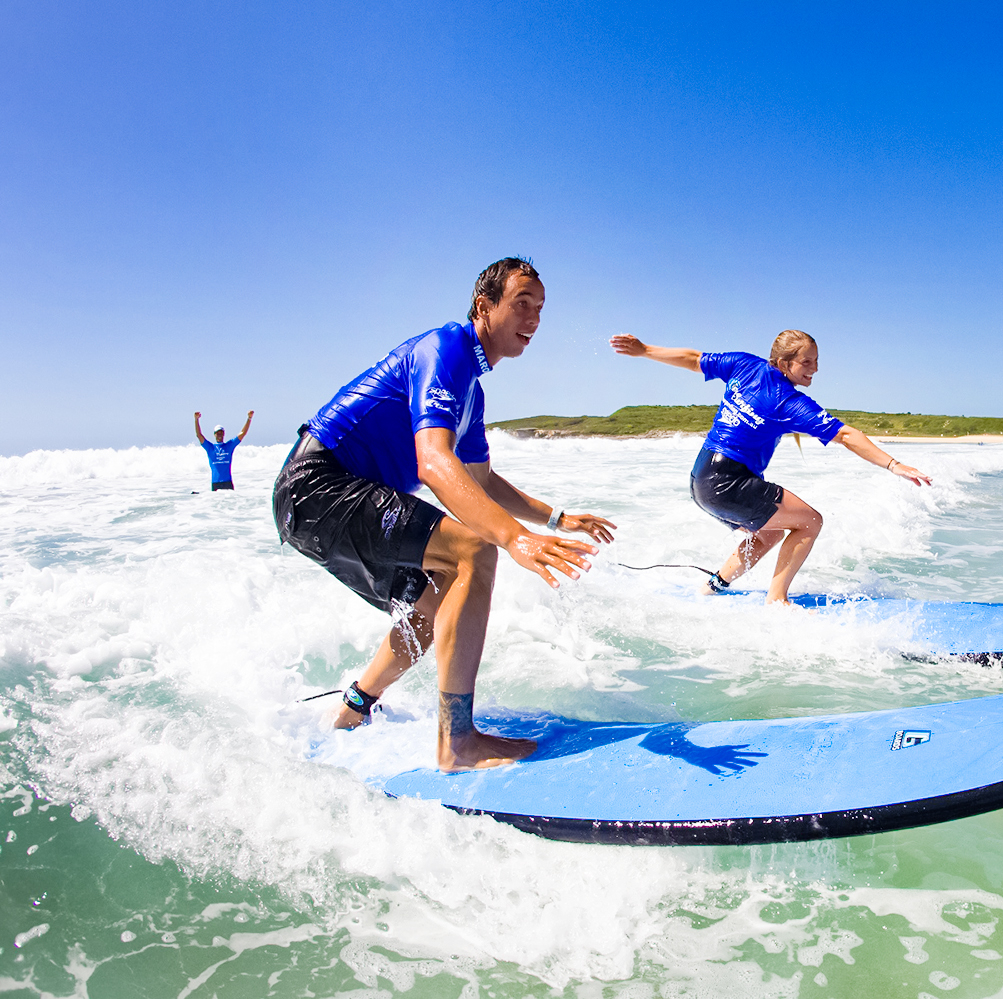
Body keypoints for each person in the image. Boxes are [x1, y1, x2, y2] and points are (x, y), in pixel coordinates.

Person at [274, 258, 616, 772]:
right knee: (475, 549)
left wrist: (555, 518)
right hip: (315, 484)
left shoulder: (471, 393)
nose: (533, 319)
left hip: (327, 496)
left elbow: (479, 480)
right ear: (485, 306)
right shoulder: (446, 348)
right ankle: (457, 744)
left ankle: (355, 706)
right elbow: (433, 463)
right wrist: (515, 540)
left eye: (540, 309)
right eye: (522, 303)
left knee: (438, 598)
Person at [610, 329, 930, 604]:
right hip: (728, 481)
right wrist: (894, 465)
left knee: (770, 531)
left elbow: (694, 359)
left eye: (817, 361)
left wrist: (644, 351)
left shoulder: (743, 365)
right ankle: (776, 600)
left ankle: (714, 586)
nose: (814, 369)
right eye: (806, 362)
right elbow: (845, 435)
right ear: (782, 363)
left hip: (701, 478)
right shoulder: (787, 401)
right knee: (810, 522)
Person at [194, 411, 253, 490]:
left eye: (221, 433)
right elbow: (199, 435)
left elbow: (243, 433)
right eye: (218, 433)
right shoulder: (210, 447)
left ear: (224, 434)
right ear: (214, 434)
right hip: (215, 483)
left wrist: (249, 418)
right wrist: (196, 420)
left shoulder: (229, 446)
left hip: (227, 483)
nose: (219, 435)